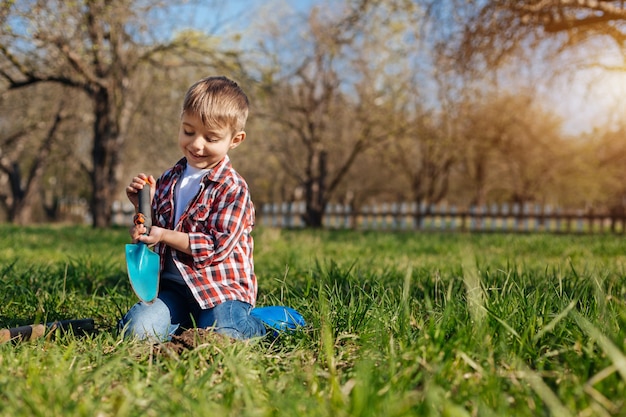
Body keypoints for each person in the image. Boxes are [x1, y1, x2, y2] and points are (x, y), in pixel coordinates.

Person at [119, 76, 266, 341]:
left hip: (220, 291)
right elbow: (158, 227)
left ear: (235, 139)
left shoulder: (232, 188)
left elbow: (214, 246)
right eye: (189, 132)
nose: (197, 144)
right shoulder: (168, 179)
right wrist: (143, 210)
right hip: (174, 288)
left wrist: (163, 235)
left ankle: (265, 323)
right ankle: (186, 323)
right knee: (135, 331)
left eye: (211, 138)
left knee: (224, 334)